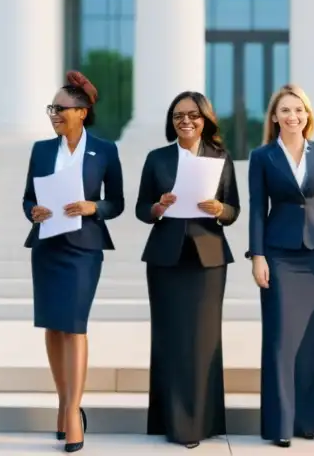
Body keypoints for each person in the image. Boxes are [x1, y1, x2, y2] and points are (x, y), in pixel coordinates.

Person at [23, 70, 125, 454]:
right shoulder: (41, 150)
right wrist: (33, 211)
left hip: (84, 248)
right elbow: (26, 198)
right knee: (52, 326)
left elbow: (117, 202)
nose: (54, 115)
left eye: (61, 108)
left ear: (82, 112)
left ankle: (71, 413)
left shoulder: (105, 150)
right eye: (51, 108)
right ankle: (63, 401)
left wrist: (92, 206)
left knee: (75, 326)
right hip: (47, 246)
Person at [136, 92, 240, 449]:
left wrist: (218, 208)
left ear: (205, 119)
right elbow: (140, 209)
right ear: (171, 121)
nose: (186, 121)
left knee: (203, 342)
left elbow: (234, 210)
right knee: (169, 340)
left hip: (208, 258)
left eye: (193, 115)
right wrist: (158, 206)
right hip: (165, 258)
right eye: (178, 115)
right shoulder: (157, 158)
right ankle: (173, 423)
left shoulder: (221, 158)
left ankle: (202, 422)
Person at [247, 84, 314, 447]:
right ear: (274, 117)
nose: (293, 116)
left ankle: (305, 422)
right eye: (286, 110)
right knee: (279, 340)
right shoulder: (262, 156)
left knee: (309, 340)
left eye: (299, 110)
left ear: (308, 115)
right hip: (278, 253)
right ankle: (280, 425)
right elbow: (257, 208)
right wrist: (256, 255)